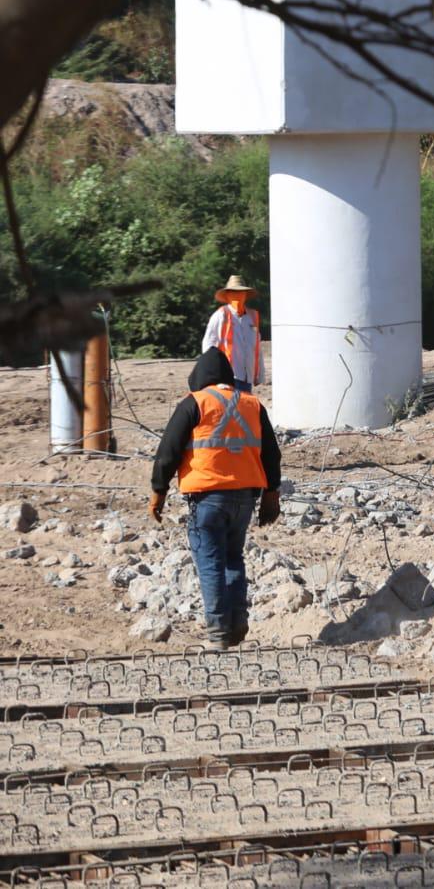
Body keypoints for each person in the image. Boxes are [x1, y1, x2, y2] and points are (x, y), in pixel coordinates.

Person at [149, 347, 282, 649]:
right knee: (233, 558)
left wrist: (158, 492)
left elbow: (167, 452)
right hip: (245, 499)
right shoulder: (252, 404)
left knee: (210, 563)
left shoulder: (194, 402)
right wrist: (272, 496)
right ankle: (237, 625)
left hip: (207, 497)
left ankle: (220, 633)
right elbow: (271, 453)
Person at [203, 275, 264, 393]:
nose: (237, 295)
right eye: (233, 292)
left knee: (244, 410)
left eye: (241, 292)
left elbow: (257, 347)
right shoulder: (221, 315)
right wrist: (216, 377)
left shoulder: (253, 317)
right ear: (227, 295)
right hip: (227, 379)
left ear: (246, 295)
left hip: (247, 378)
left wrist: (259, 374)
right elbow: (208, 346)